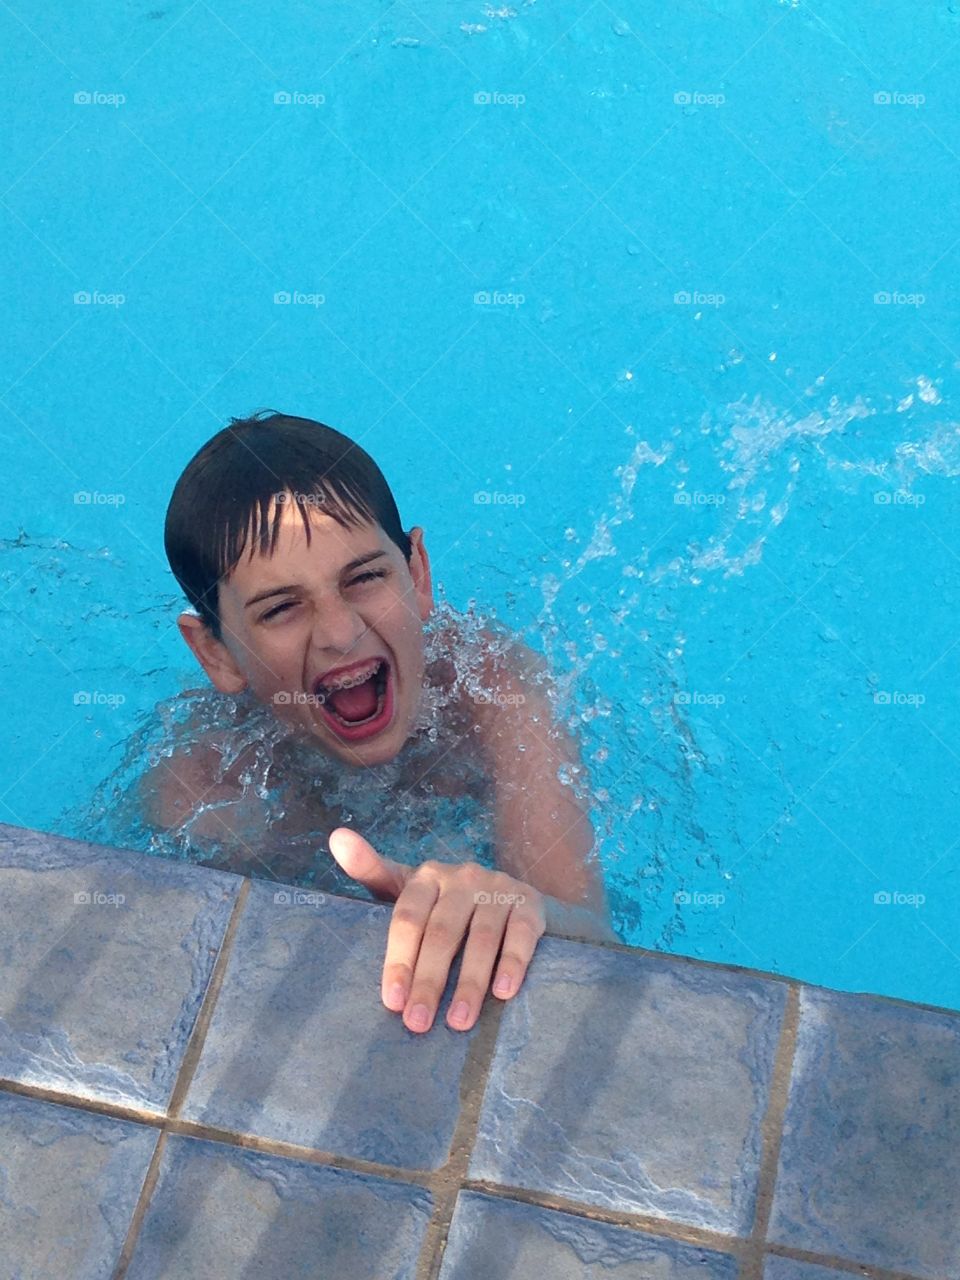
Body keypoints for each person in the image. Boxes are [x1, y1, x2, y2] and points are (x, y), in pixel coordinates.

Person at [156, 409, 616, 1034]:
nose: (342, 634)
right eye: (282, 608)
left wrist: (523, 909)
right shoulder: (205, 784)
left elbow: (599, 941)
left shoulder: (494, 693)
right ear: (216, 652)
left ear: (418, 574)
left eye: (367, 577)